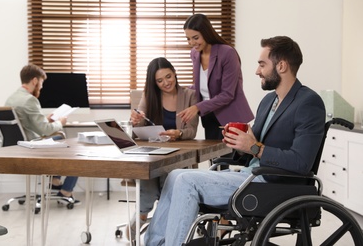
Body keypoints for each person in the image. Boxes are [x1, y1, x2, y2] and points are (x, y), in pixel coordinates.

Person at [144, 36, 326, 246]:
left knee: (186, 182)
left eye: (262, 64)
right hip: (251, 175)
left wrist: (255, 148)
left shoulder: (308, 102)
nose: (257, 71)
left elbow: (302, 163)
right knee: (175, 175)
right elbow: (253, 146)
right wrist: (238, 142)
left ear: (282, 66)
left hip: (272, 183)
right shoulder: (269, 101)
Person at [127, 57, 199, 240]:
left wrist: (179, 134)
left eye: (169, 76)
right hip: (154, 152)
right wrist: (136, 119)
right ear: (154, 83)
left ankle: (162, 223)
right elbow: (138, 126)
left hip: (178, 154)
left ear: (174, 73)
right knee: (147, 176)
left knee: (169, 179)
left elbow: (191, 130)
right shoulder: (149, 96)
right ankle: (142, 216)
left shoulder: (189, 95)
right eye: (160, 80)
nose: (166, 83)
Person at [5, 64, 80, 205]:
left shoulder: (12, 98)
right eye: (41, 82)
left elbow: (26, 124)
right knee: (72, 145)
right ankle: (66, 190)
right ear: (34, 81)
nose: (41, 86)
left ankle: (55, 180)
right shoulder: (30, 99)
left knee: (58, 137)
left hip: (16, 145)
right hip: (31, 145)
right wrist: (60, 121)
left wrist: (47, 119)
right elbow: (45, 130)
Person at [177, 13, 254, 140]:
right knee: (213, 158)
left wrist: (197, 107)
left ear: (206, 33)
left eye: (195, 37)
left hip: (230, 117)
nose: (192, 43)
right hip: (209, 115)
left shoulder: (227, 53)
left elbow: (227, 94)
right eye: (188, 39)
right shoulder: (195, 54)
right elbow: (202, 85)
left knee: (229, 159)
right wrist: (179, 91)